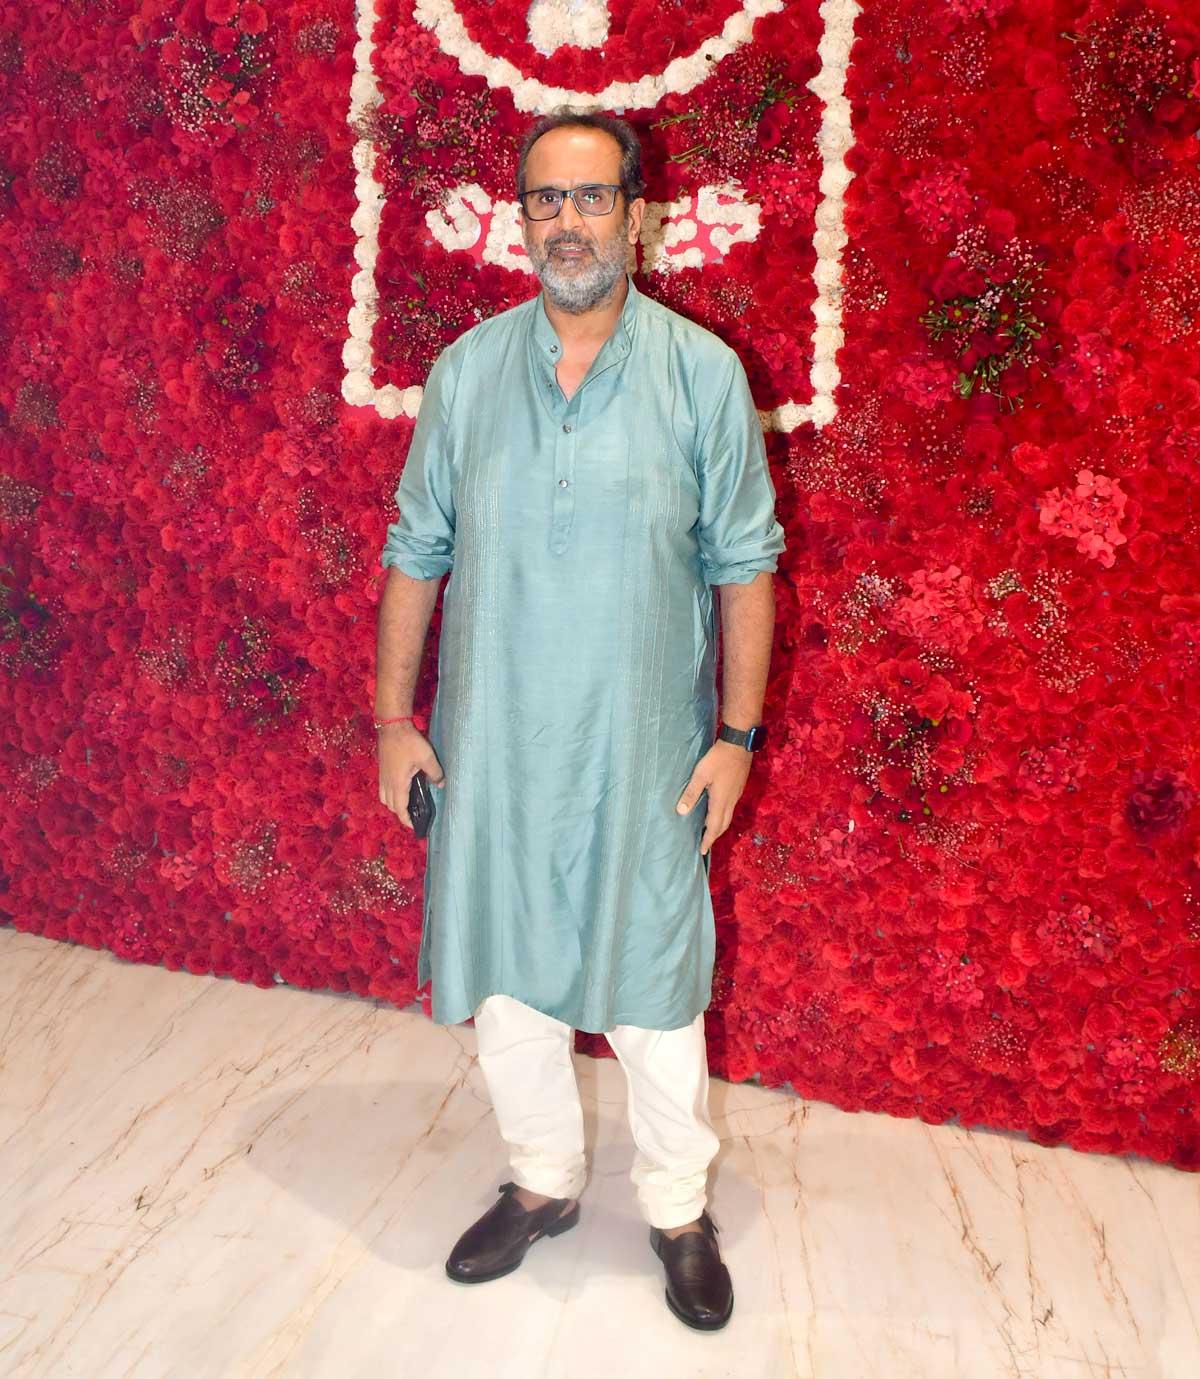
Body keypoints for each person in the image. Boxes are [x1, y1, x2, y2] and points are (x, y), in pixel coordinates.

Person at [374, 107, 785, 1331]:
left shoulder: (701, 374)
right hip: (494, 747)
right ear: (521, 218)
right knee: (508, 986)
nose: (568, 222)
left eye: (591, 196)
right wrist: (393, 718)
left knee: (656, 993)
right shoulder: (467, 372)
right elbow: (416, 547)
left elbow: (746, 564)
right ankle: (544, 1179)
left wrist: (736, 737)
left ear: (635, 215)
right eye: (546, 199)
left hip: (644, 751)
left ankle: (677, 1208)